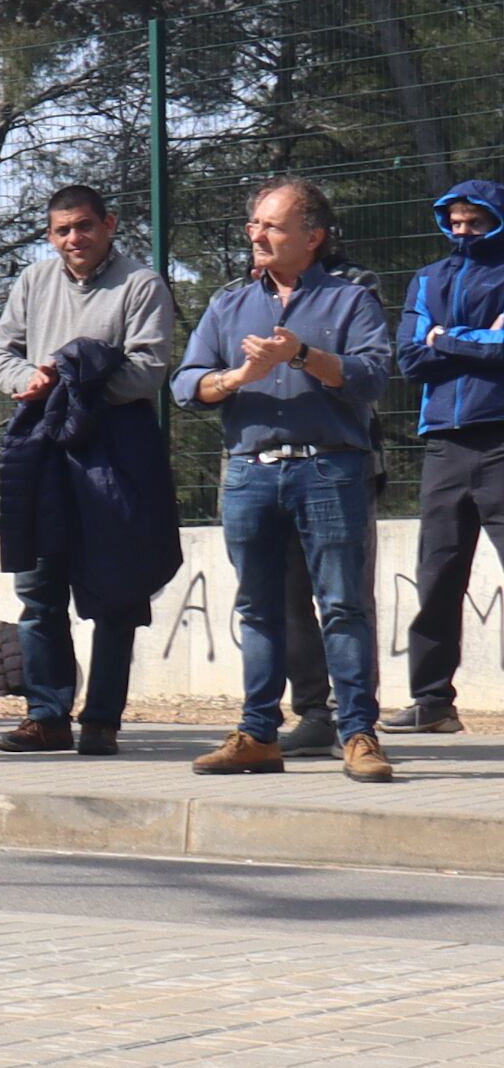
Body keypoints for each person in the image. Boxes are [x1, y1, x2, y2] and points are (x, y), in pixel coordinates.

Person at [176, 177, 399, 781]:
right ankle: (257, 734)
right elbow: (186, 383)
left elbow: (374, 376)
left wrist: (301, 355)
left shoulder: (350, 299)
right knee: (258, 608)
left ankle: (358, 733)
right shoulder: (228, 302)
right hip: (250, 471)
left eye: (273, 225)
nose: (257, 235)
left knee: (344, 606)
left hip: (330, 467)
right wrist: (240, 376)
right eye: (254, 224)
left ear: (314, 237)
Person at [0, 182, 185, 754]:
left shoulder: (141, 284)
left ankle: (102, 720)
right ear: (51, 236)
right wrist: (31, 382)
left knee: (116, 591)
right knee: (40, 587)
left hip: (116, 449)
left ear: (109, 225)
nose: (74, 238)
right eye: (62, 230)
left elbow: (147, 369)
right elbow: (0, 351)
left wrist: (73, 382)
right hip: (44, 444)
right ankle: (46, 715)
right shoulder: (33, 281)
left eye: (84, 226)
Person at [397, 178, 504, 731]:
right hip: (442, 442)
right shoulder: (427, 277)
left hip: (500, 441)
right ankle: (432, 703)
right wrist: (475, 340)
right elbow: (410, 357)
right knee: (437, 576)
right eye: (455, 221)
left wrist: (446, 339)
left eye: (475, 221)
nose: (462, 230)